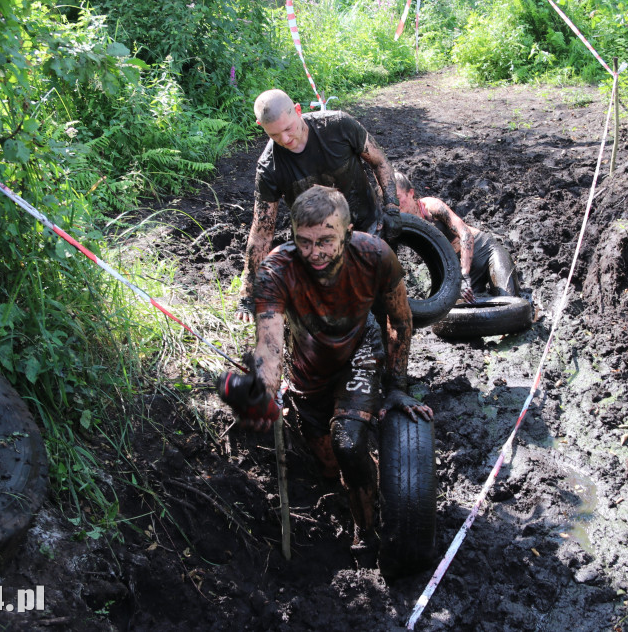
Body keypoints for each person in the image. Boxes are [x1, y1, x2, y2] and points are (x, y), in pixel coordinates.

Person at [216, 185, 432, 565]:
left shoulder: (375, 255)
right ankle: (370, 472)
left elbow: (400, 318)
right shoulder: (276, 271)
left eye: (325, 241)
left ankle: (366, 531)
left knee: (347, 443)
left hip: (359, 351)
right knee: (330, 464)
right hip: (308, 369)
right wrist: (262, 388)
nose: (314, 252)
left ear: (347, 234)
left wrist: (398, 386)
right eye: (304, 241)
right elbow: (269, 344)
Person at [235, 89, 403, 321]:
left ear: (298, 110)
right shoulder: (269, 168)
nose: (285, 139)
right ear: (260, 126)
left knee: (386, 305)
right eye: (274, 135)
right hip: (321, 247)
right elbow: (262, 232)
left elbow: (380, 161)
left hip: (368, 226)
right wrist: (248, 290)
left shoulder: (338, 125)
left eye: (288, 128)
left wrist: (392, 207)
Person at [395, 172, 520, 302]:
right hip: (456, 265)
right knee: (461, 310)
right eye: (390, 200)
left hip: (484, 251)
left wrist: (464, 275)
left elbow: (465, 234)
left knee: (509, 301)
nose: (395, 205)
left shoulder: (430, 207)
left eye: (397, 198)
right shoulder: (398, 223)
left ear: (411, 193)